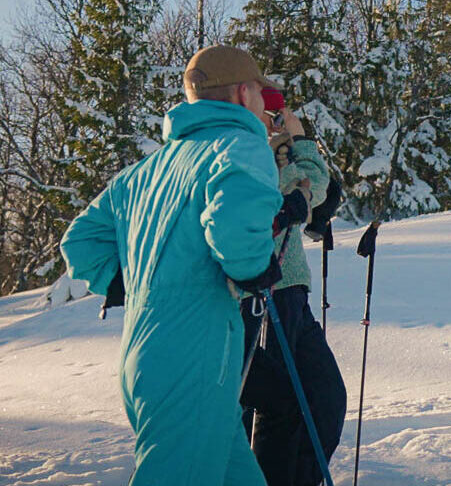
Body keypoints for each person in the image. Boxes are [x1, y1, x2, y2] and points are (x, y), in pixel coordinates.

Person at [60, 45, 282, 486]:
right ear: (242, 93)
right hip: (196, 356)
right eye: (260, 93)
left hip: (142, 355)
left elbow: (80, 243)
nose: (263, 106)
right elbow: (235, 234)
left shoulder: (145, 171)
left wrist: (141, 282)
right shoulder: (240, 145)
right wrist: (255, 271)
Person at [237, 79, 347, 486]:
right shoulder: (247, 154)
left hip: (292, 294)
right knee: (273, 409)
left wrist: (297, 154)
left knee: (326, 400)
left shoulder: (279, 156)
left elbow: (317, 192)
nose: (282, 125)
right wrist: (300, 144)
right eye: (276, 117)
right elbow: (306, 188)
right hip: (263, 296)